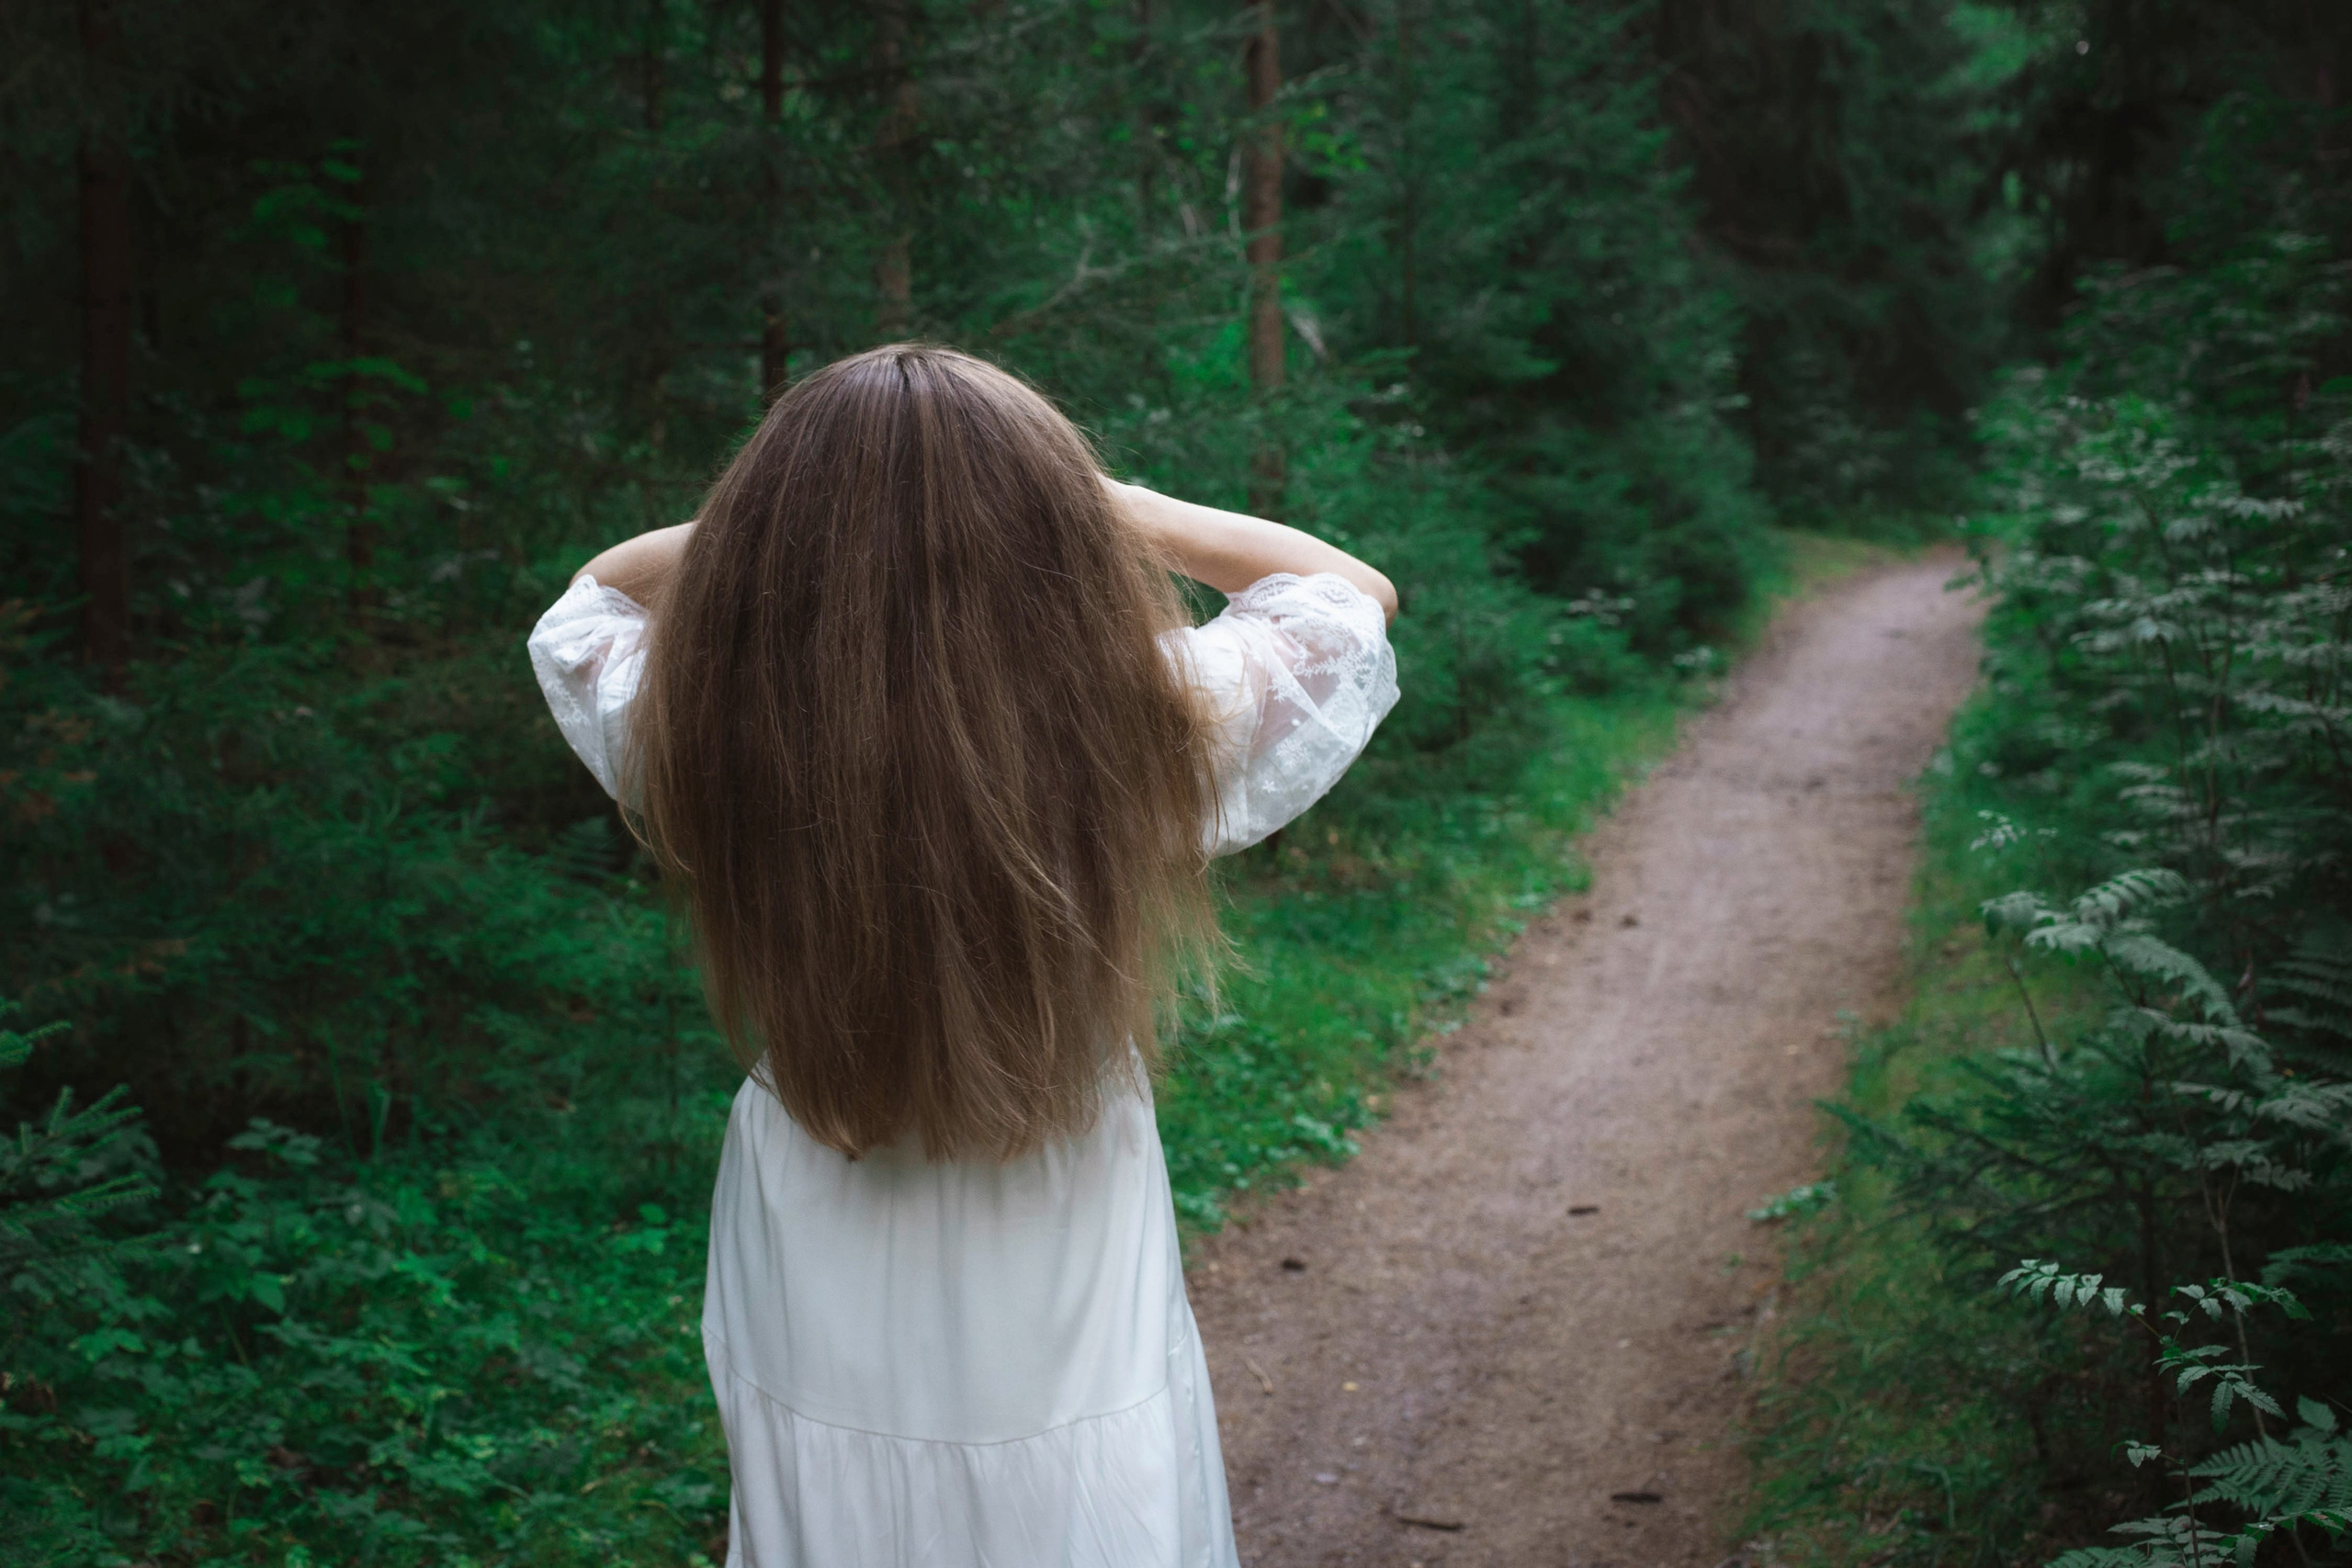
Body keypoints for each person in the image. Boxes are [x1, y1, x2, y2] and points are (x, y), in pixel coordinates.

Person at [526, 344, 1398, 1568]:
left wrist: (789, 518)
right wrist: (1108, 507)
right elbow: (1350, 592)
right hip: (1059, 1178)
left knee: (832, 1503)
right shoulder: (1140, 714)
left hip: (817, 1174)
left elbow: (586, 604)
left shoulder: (713, 713)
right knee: (1092, 1492)